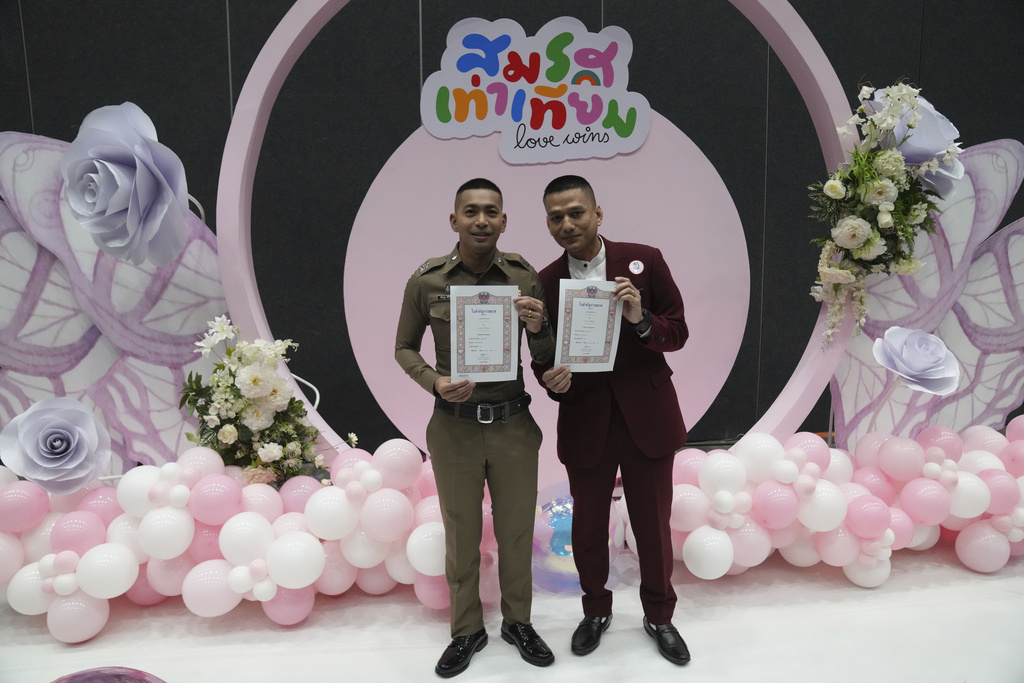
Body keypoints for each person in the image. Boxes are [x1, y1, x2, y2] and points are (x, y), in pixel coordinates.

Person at [395, 178, 556, 678]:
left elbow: (545, 358)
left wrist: (539, 326)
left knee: (515, 531)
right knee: (462, 533)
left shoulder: (524, 277)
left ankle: (518, 622)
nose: (481, 220)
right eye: (471, 211)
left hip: (513, 424)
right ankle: (466, 630)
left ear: (504, 220)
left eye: (491, 211)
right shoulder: (427, 280)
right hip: (455, 427)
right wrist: (434, 382)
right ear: (454, 220)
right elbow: (403, 348)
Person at [533, 174, 691, 665]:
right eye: (555, 217)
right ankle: (595, 610)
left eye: (575, 212)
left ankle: (660, 616)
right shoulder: (545, 280)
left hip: (646, 414)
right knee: (588, 527)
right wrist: (547, 378)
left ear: (598, 214)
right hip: (585, 417)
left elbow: (679, 331)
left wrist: (641, 319)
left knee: (653, 526)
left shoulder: (644, 260)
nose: (566, 224)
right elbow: (541, 354)